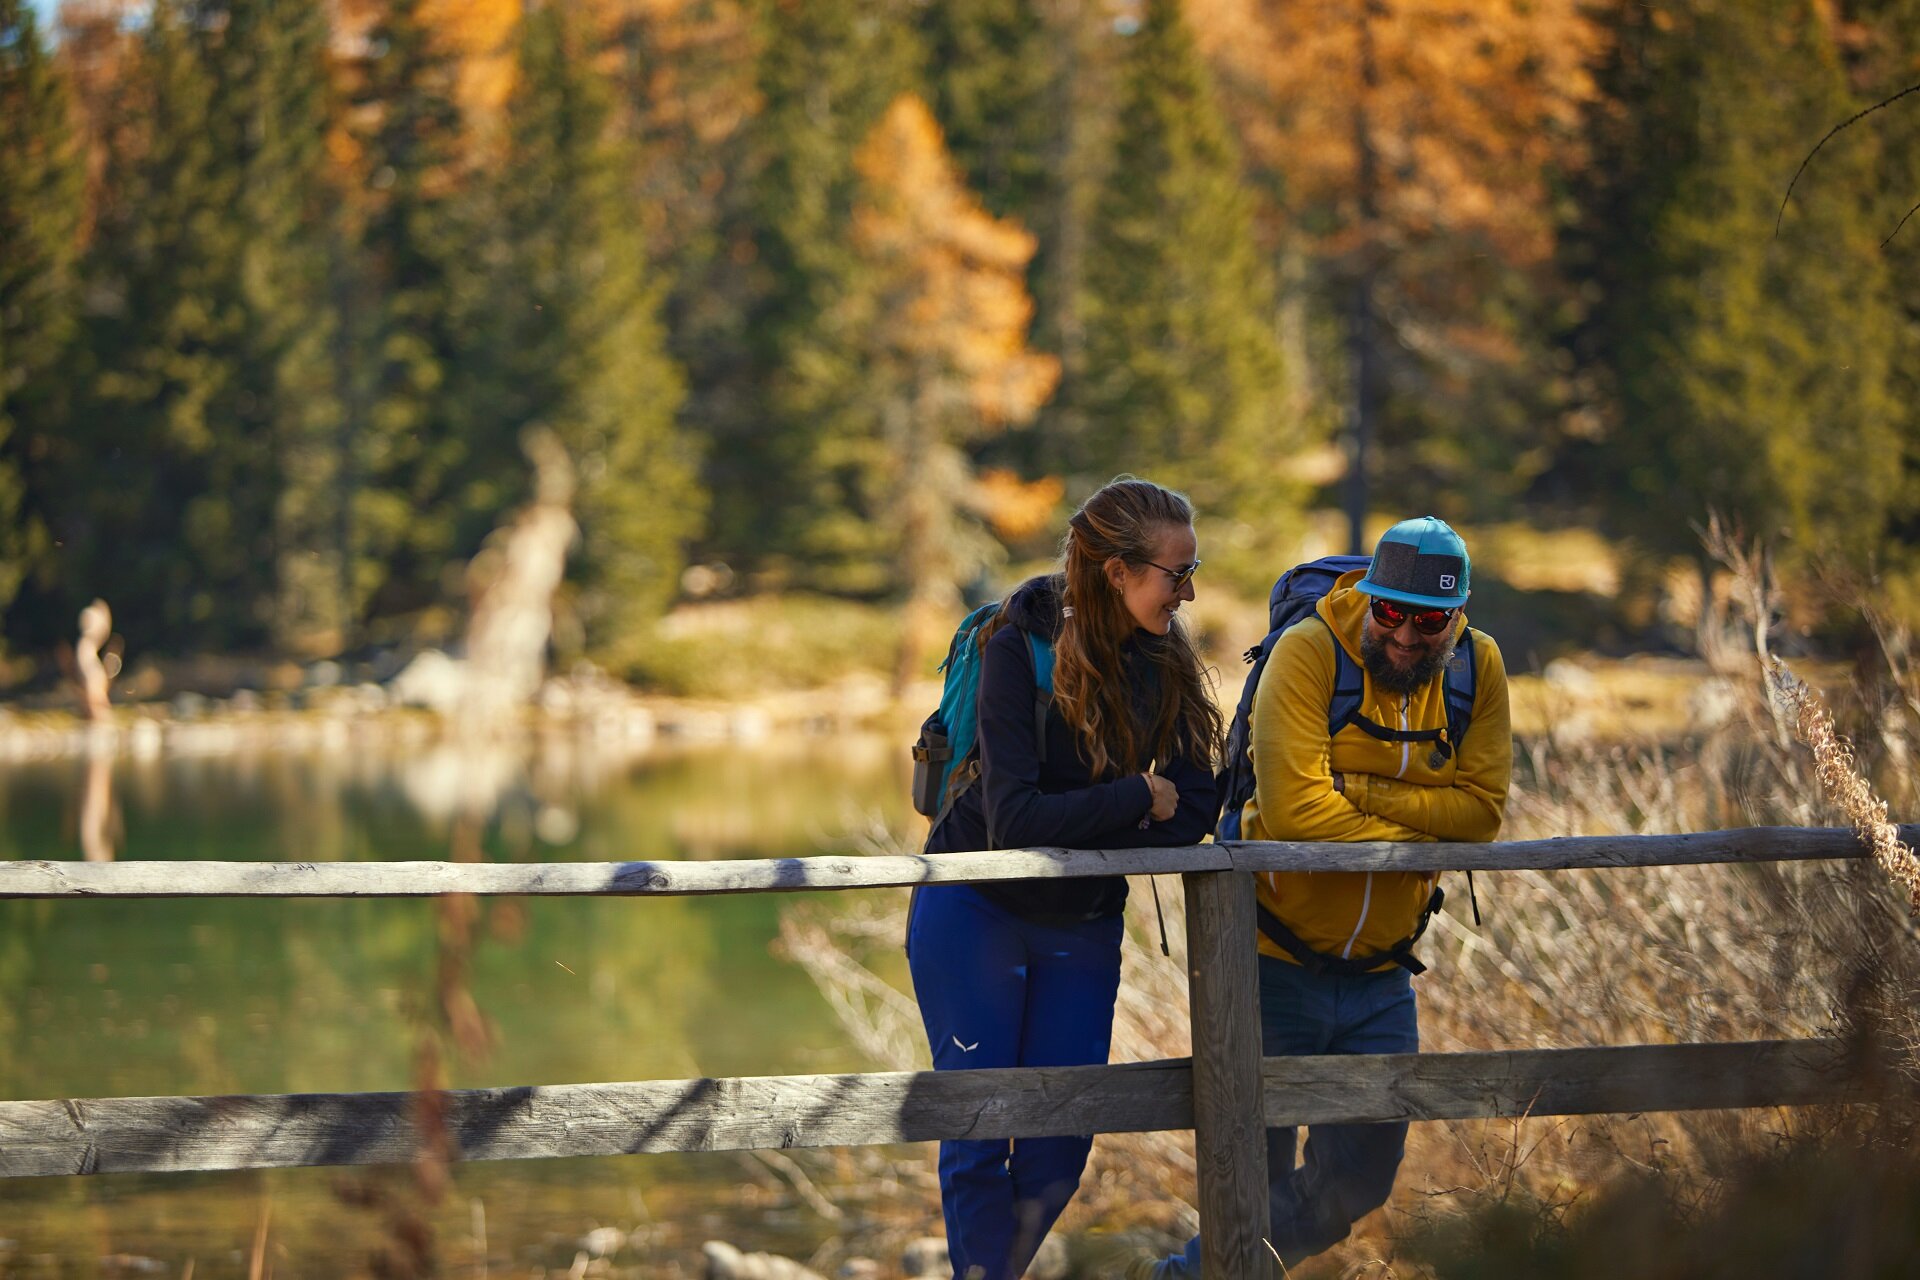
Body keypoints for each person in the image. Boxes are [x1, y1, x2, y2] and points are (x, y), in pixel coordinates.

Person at [1141, 516, 1511, 1277]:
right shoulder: (1310, 652)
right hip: (1267, 960)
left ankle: (1185, 1275)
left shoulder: (1479, 667)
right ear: (1369, 597)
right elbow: (1296, 812)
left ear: (1458, 616)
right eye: (1392, 612)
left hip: (1383, 973)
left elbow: (1482, 814)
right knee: (1249, 1176)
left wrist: (1367, 790)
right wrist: (1421, 819)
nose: (1407, 635)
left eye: (1431, 619)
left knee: (1361, 1178)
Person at [908, 477, 1223, 1280]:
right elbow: (1014, 820)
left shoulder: (1166, 660)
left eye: (1192, 572)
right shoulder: (1020, 644)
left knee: (1059, 1142)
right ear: (1117, 571)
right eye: (1174, 574)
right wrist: (1132, 799)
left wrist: (1119, 811)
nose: (1186, 593)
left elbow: (1194, 810)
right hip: (973, 901)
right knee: (979, 1126)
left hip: (1081, 920)